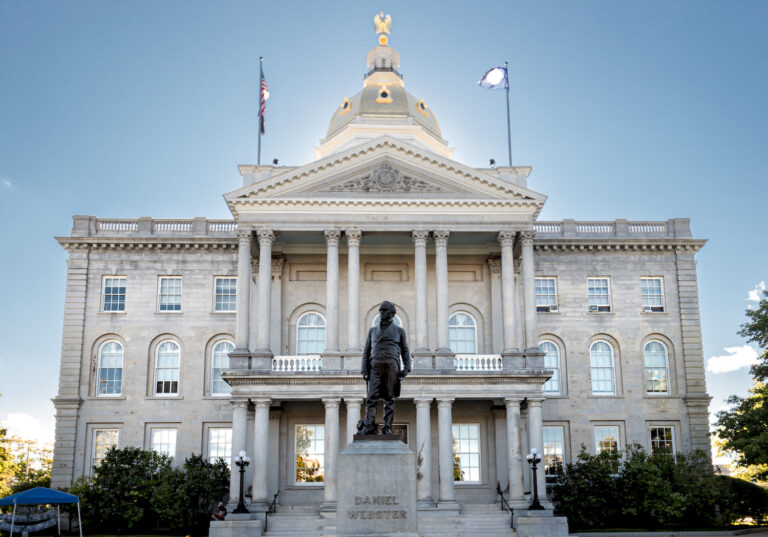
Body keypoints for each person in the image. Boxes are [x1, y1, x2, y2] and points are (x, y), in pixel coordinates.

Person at [359, 301, 411, 435]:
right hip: (374, 366)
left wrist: (407, 367)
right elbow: (366, 350)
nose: (381, 313)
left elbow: (405, 350)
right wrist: (364, 368)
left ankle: (387, 426)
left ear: (392, 314)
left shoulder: (399, 331)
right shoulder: (372, 331)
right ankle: (369, 425)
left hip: (391, 366)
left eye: (385, 311)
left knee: (389, 398)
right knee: (371, 397)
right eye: (381, 310)